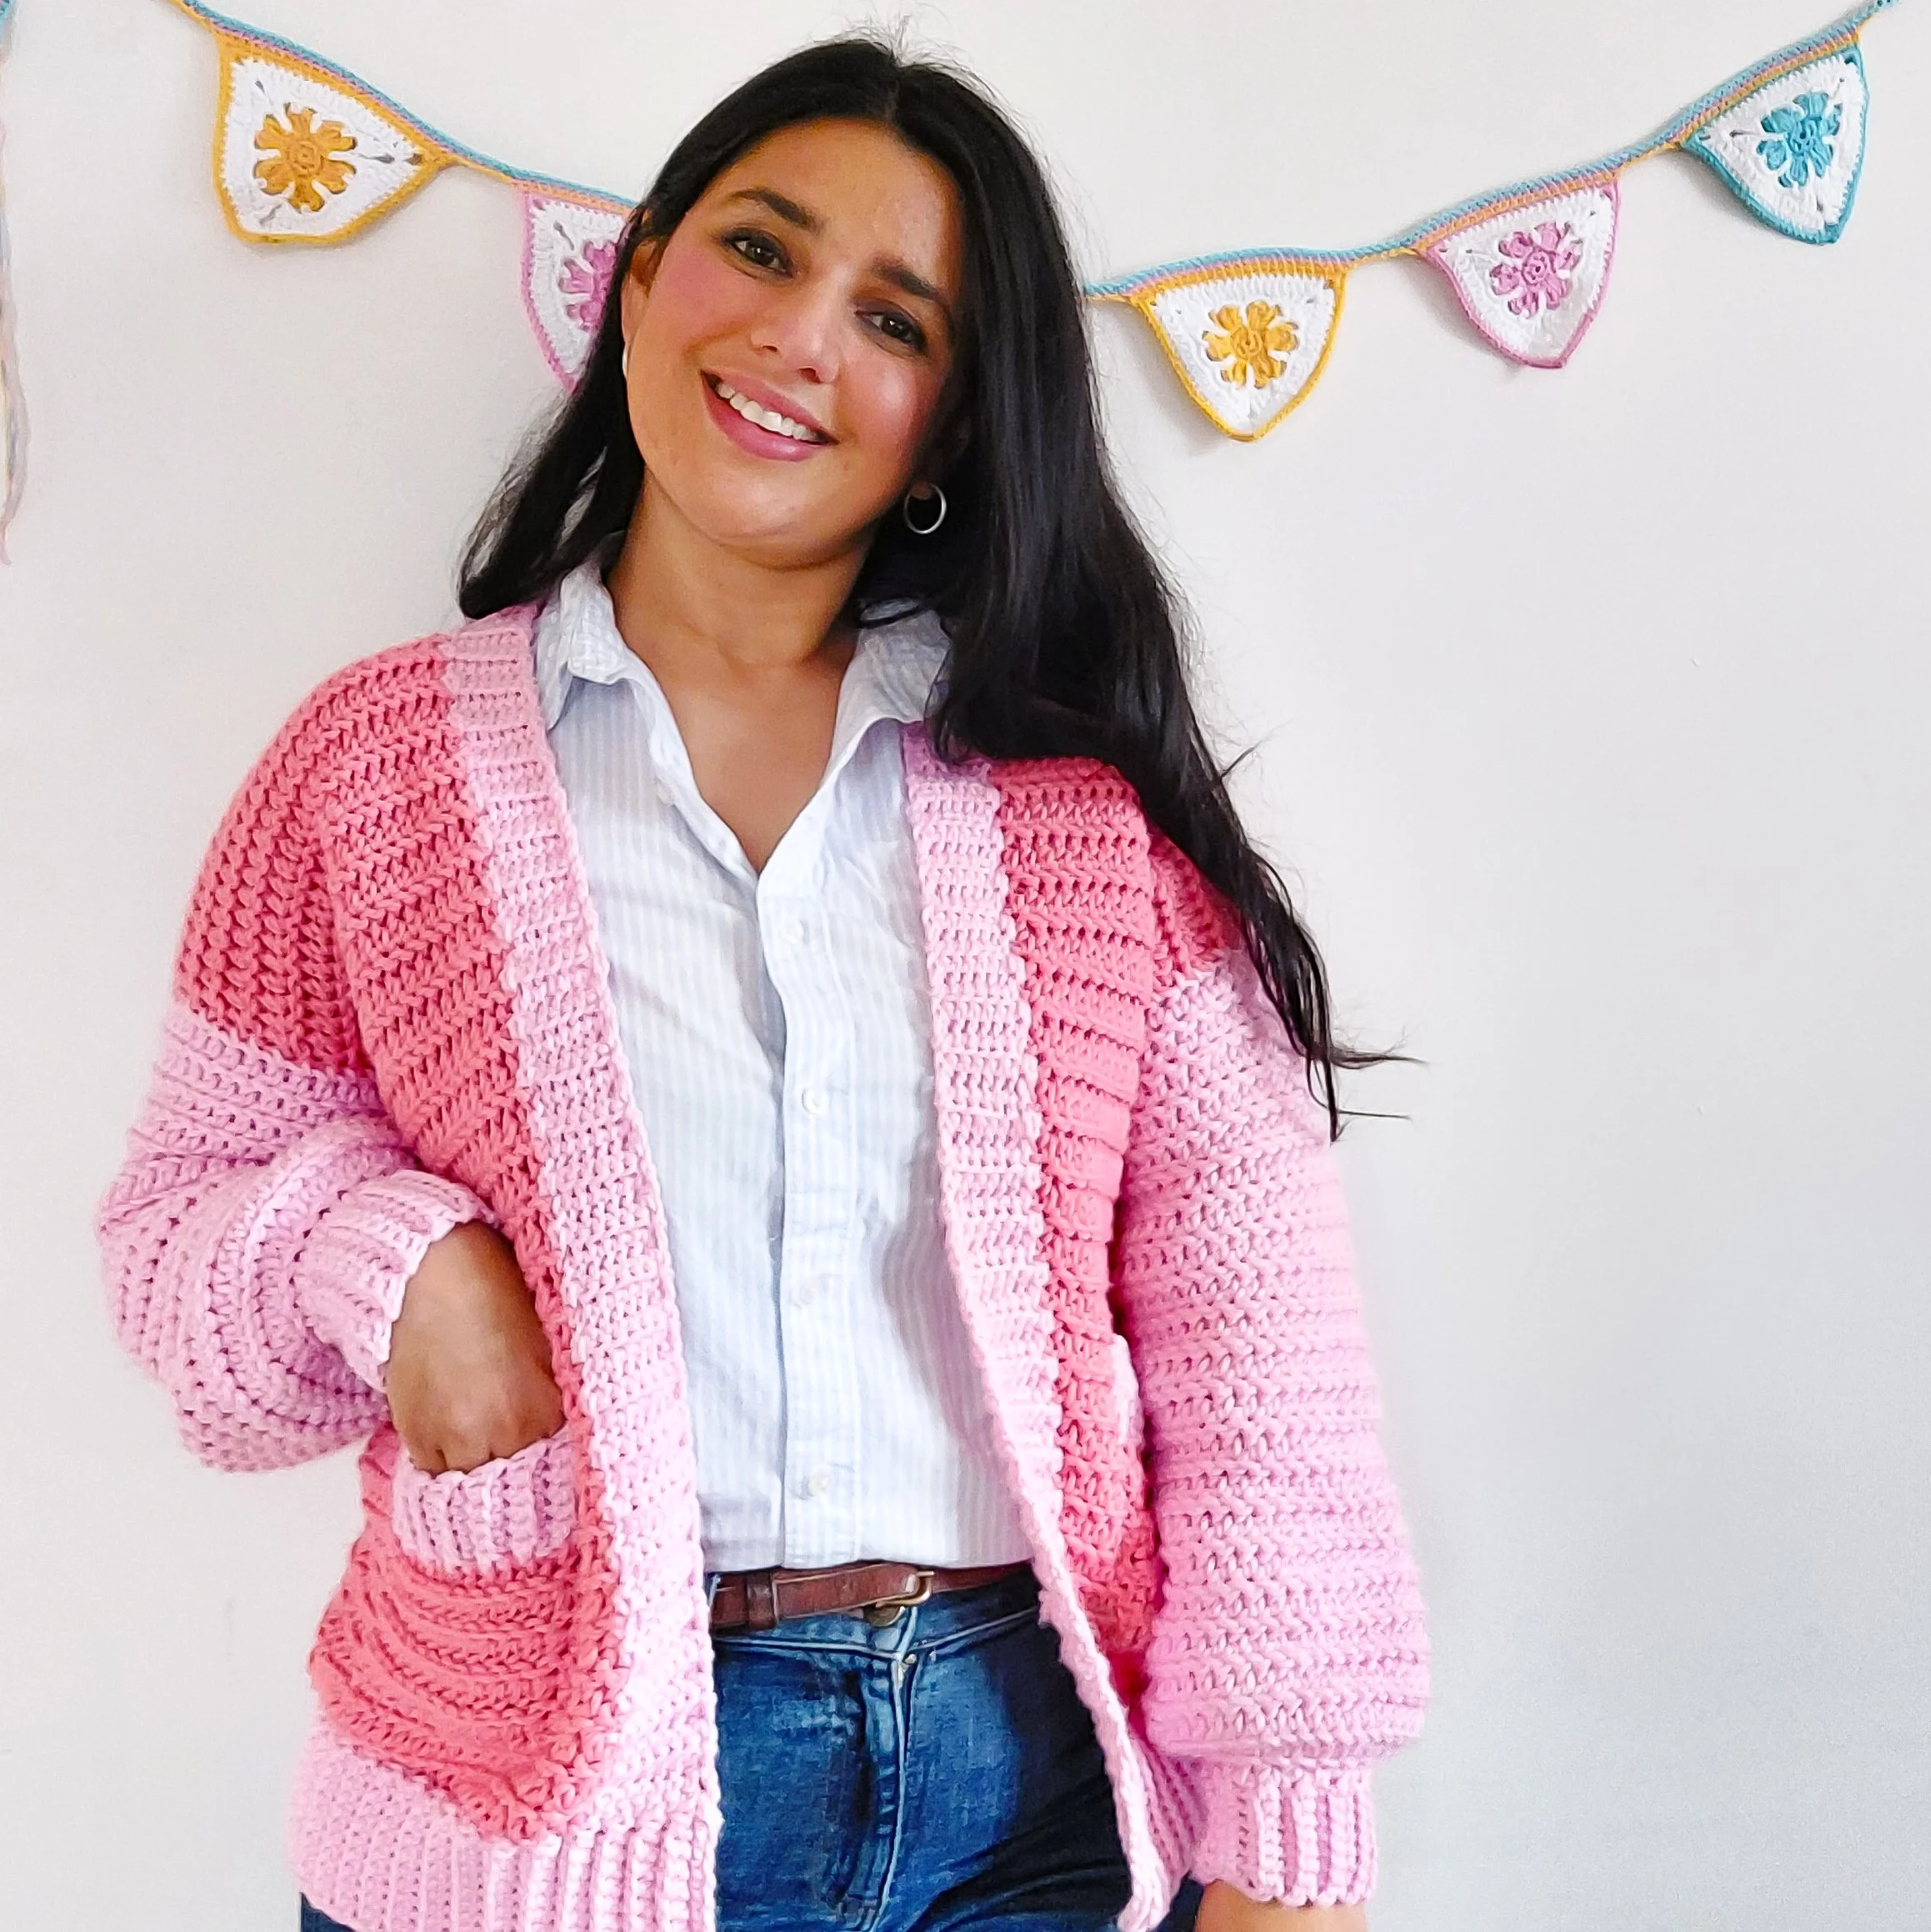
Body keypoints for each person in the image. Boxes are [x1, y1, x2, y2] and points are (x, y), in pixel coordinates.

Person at [95, 33, 1429, 1932]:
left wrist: (1289, 1840)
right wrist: (391, 1265)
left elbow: (1261, 1347)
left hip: (1033, 1806)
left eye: (896, 316)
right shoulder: (372, 773)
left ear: (953, 421)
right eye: (760, 249)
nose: (803, 335)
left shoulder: (1077, 819)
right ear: (639, 276)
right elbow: (173, 1255)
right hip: (532, 1818)